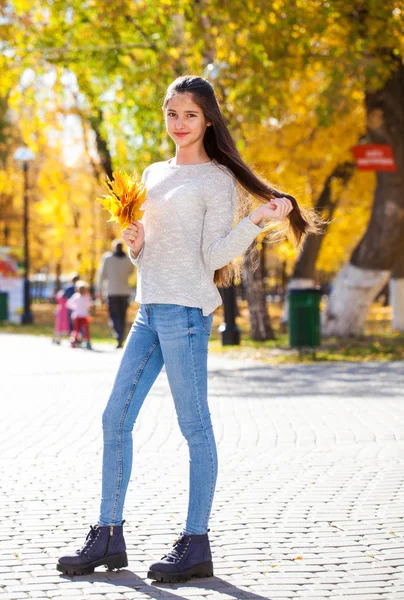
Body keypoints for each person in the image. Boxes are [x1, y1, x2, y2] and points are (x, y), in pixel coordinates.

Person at [57, 75, 317, 581]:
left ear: (208, 120)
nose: (180, 124)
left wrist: (259, 218)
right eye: (172, 114)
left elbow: (213, 256)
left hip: (188, 317)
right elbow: (153, 256)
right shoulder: (154, 174)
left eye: (190, 115)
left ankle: (196, 543)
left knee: (194, 428)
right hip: (149, 311)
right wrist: (136, 244)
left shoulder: (216, 180)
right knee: (115, 420)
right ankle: (109, 534)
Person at [97, 240, 134, 348]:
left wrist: (99, 291)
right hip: (124, 292)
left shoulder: (107, 258)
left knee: (114, 316)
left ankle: (119, 335)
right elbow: (131, 271)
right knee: (122, 315)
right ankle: (121, 335)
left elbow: (101, 275)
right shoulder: (128, 259)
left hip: (111, 292)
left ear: (113, 247)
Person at [66, 280, 92, 350]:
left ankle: (74, 341)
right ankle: (87, 341)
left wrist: (74, 307)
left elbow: (68, 303)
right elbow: (89, 305)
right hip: (84, 316)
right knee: (86, 330)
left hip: (77, 315)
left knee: (76, 330)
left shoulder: (75, 297)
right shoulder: (86, 297)